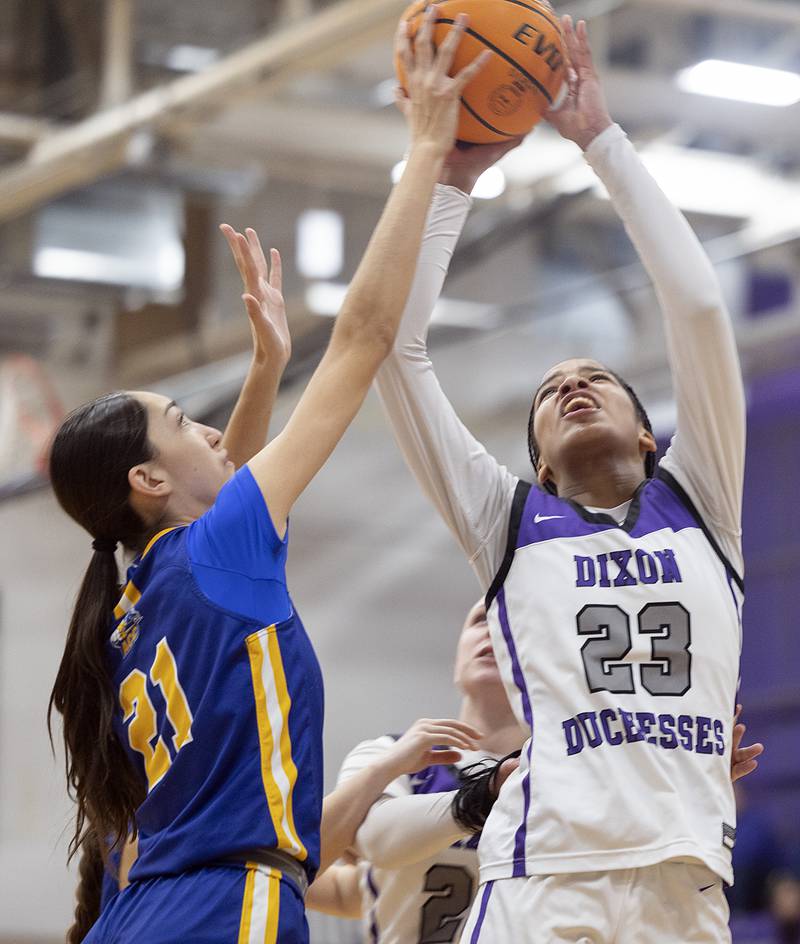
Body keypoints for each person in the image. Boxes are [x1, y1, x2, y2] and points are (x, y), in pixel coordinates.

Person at [47, 13, 491, 943]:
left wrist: (263, 370)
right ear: (145, 479)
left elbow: (227, 482)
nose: (206, 430)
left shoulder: (133, 599)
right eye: (179, 421)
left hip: (137, 919)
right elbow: (365, 340)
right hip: (224, 906)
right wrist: (424, 153)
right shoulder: (206, 557)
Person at [376, 14, 750, 942]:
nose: (575, 383)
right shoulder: (506, 521)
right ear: (537, 462)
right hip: (545, 874)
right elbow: (396, 352)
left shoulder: (703, 503)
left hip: (686, 877)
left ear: (654, 436)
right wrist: (455, 176)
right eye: (552, 391)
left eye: (598, 382)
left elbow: (699, 307)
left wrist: (601, 141)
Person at [307, 603, 763, 943]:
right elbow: (338, 858)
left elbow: (638, 884)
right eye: (478, 620)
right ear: (455, 660)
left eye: (509, 624)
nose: (491, 631)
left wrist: (692, 789)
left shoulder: (589, 764)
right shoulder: (396, 754)